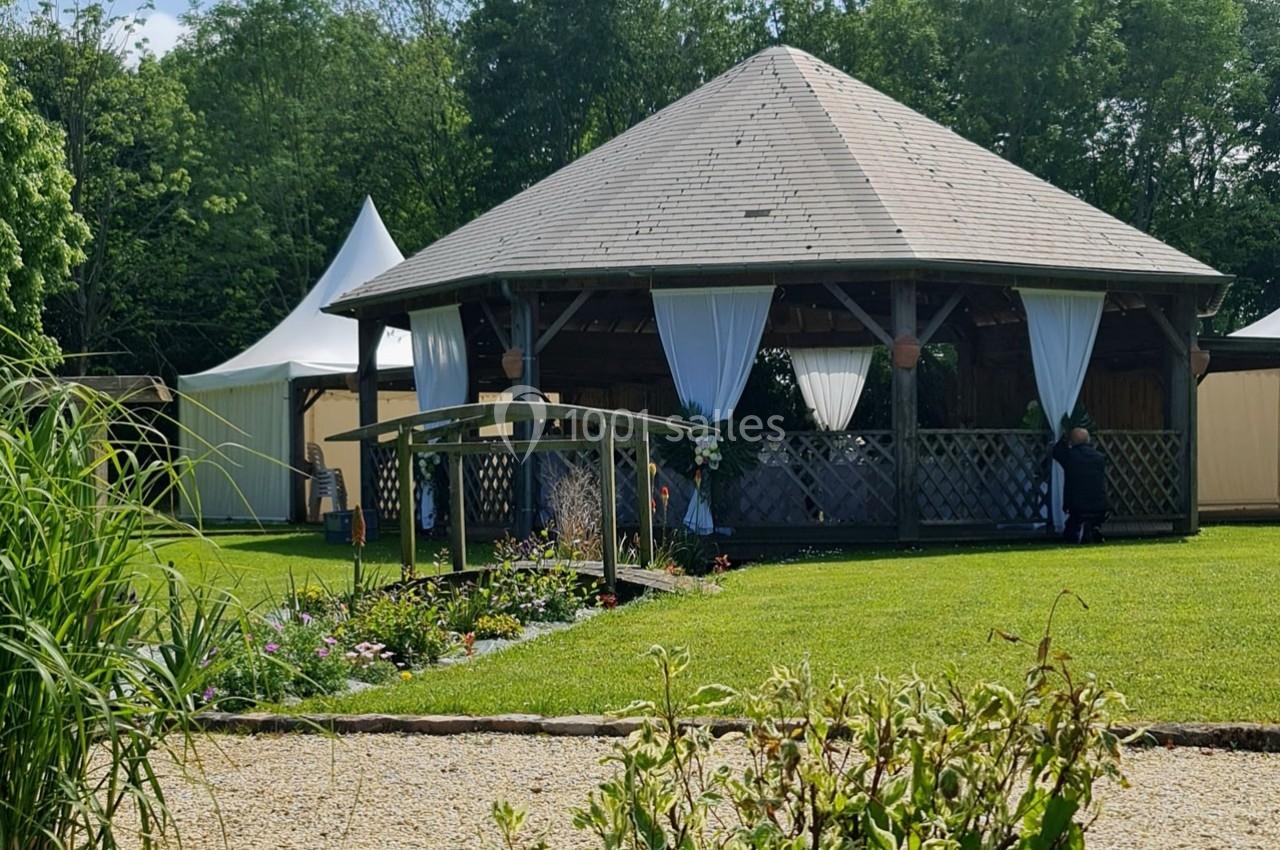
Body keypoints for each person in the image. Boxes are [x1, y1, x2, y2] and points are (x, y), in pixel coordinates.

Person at [1052, 427, 1108, 543]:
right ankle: (1093, 528)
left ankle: (1081, 531)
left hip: (1077, 506)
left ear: (1072, 441)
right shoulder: (1099, 457)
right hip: (1099, 504)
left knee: (1070, 532)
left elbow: (1056, 451)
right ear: (1088, 440)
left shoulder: (1070, 456)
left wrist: (1062, 436)